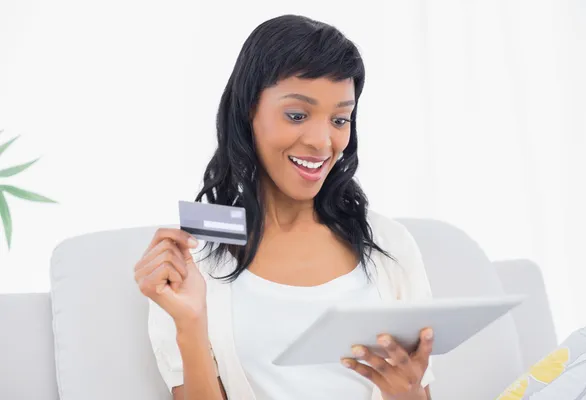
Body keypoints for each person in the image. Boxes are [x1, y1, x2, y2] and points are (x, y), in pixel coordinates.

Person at [134, 14, 435, 400]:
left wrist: (404, 391)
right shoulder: (196, 258)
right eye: (297, 115)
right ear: (248, 112)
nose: (322, 142)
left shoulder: (390, 244)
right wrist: (190, 324)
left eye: (340, 119)